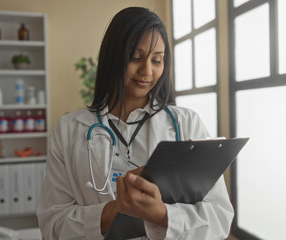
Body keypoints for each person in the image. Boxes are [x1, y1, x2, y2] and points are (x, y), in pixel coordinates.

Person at [37, 7, 234, 240]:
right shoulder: (70, 129)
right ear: (113, 56)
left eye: (157, 60)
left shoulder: (186, 123)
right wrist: (114, 210)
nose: (147, 71)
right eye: (136, 58)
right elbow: (52, 225)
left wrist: (161, 214)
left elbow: (220, 218)